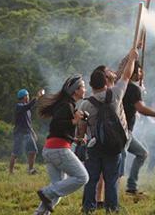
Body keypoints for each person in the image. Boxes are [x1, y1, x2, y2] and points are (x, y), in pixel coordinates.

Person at [78, 48, 138, 213]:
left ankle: (88, 208)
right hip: (114, 146)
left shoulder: (85, 104)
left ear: (91, 85)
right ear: (105, 83)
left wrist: (82, 142)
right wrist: (132, 59)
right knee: (111, 180)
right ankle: (112, 208)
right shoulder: (115, 94)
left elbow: (82, 129)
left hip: (94, 146)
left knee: (91, 180)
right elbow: (126, 75)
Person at [34, 75, 89, 215]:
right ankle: (46, 192)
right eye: (83, 86)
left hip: (52, 149)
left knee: (57, 190)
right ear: (75, 90)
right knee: (82, 177)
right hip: (58, 150)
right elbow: (57, 124)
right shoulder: (66, 105)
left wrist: (74, 139)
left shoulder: (67, 104)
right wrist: (74, 121)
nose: (85, 89)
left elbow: (59, 130)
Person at [121, 61, 155, 195]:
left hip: (123, 130)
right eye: (139, 71)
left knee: (142, 153)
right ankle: (113, 197)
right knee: (117, 164)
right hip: (124, 131)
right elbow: (141, 108)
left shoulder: (121, 85)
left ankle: (131, 186)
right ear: (133, 72)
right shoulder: (133, 89)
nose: (142, 74)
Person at [9, 88, 44, 175]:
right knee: (15, 152)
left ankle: (31, 169)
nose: (28, 97)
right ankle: (10, 171)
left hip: (28, 132)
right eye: (27, 95)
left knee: (33, 151)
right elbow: (28, 106)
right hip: (19, 133)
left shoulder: (27, 109)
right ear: (24, 97)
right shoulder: (19, 106)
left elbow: (28, 122)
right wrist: (37, 97)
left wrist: (33, 132)